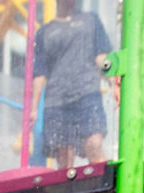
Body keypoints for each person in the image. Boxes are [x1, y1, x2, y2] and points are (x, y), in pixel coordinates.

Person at [30, 0, 117, 170]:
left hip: (87, 92)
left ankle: (106, 192)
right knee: (64, 159)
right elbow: (40, 73)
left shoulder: (91, 20)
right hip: (57, 100)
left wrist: (114, 81)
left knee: (94, 144)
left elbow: (101, 56)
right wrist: (33, 108)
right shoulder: (44, 32)